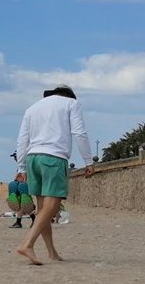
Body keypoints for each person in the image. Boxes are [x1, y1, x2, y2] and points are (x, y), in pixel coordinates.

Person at [14, 85, 95, 265]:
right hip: (54, 157)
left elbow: (22, 139)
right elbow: (79, 132)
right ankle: (27, 244)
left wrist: (21, 167)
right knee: (51, 207)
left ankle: (51, 252)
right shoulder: (71, 104)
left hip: (32, 158)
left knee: (43, 209)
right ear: (69, 95)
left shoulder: (32, 108)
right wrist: (88, 161)